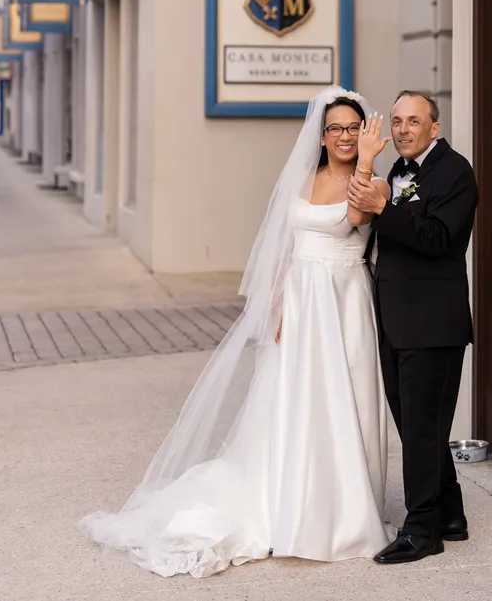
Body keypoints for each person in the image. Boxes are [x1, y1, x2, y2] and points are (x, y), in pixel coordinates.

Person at [80, 88, 395, 577]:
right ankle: (292, 499)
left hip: (342, 299)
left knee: (344, 397)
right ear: (322, 135)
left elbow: (356, 218)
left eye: (353, 127)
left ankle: (344, 509)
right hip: (299, 298)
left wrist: (369, 161)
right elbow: (286, 241)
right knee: (294, 400)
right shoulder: (303, 178)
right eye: (335, 128)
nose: (345, 136)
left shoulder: (371, 179)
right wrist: (274, 303)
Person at [347, 90, 478, 565]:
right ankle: (450, 513)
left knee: (422, 429)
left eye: (413, 121)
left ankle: (422, 530)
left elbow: (439, 239)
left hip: (433, 324)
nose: (402, 129)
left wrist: (385, 208)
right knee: (417, 426)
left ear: (434, 128)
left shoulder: (455, 173)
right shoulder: (398, 173)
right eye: (397, 120)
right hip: (396, 320)